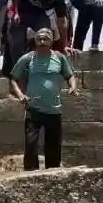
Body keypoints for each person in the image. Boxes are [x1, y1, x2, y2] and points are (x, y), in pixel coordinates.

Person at [10, 27, 78, 171]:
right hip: (33, 108)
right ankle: (29, 175)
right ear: (35, 41)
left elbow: (69, 75)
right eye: (39, 39)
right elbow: (13, 78)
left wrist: (73, 86)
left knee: (53, 147)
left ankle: (52, 175)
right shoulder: (28, 58)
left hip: (54, 110)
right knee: (31, 145)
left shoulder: (59, 58)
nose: (42, 41)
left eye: (45, 39)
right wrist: (20, 95)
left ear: (51, 41)